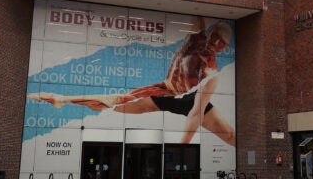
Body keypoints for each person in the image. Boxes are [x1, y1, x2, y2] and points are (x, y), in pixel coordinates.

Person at [29, 17, 235, 146]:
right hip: (163, 91)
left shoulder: (211, 72)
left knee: (230, 136)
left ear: (223, 48)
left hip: (191, 102)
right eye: (215, 37)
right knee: (113, 103)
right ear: (211, 33)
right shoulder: (195, 38)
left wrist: (182, 149)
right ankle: (61, 99)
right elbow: (197, 16)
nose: (216, 44)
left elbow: (195, 114)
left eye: (221, 43)